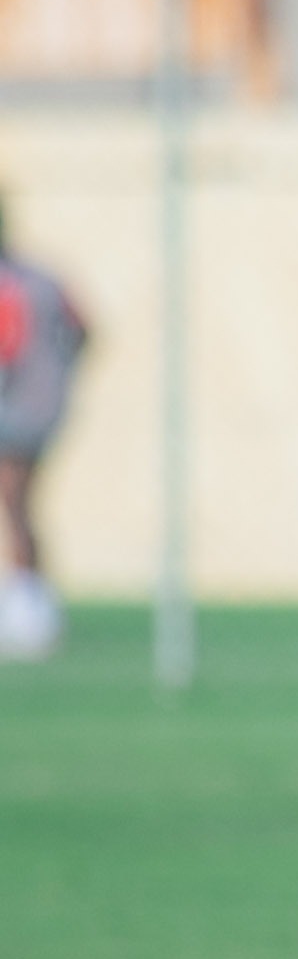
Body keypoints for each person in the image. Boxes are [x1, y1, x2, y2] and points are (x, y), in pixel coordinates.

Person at [0, 196, 90, 662]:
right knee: (20, 503)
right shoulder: (43, 278)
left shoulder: (15, 284)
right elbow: (84, 329)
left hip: (16, 410)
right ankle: (28, 602)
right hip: (43, 406)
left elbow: (8, 346)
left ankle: (28, 609)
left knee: (15, 500)